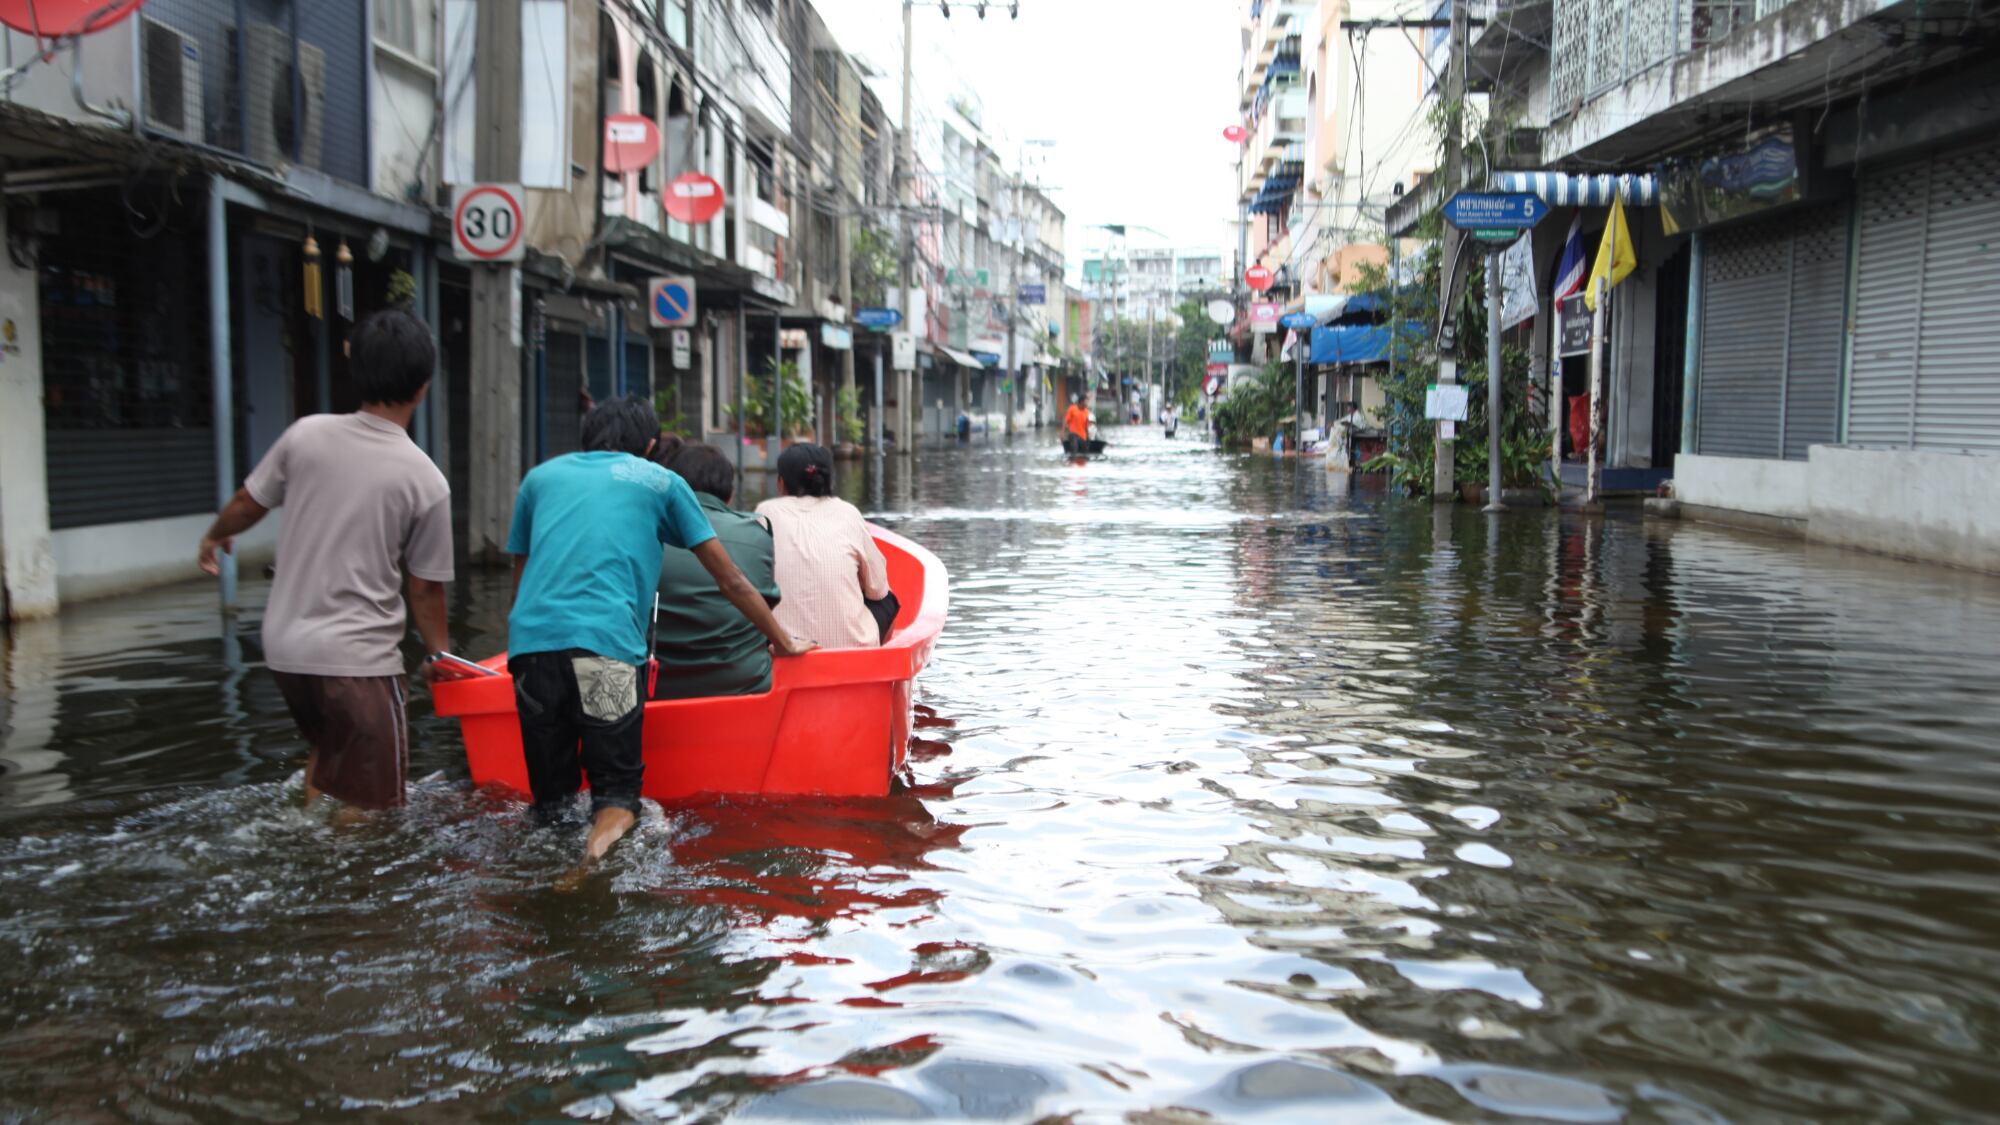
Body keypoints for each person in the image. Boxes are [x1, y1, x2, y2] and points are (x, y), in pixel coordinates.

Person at [506, 396, 812, 861]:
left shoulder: (539, 479)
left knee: (553, 804)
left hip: (531, 653)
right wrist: (784, 640)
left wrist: (525, 644)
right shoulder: (660, 481)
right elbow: (730, 579)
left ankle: (549, 875)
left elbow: (521, 577)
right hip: (606, 654)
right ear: (650, 445)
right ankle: (591, 862)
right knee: (617, 798)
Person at [196, 309, 452, 814]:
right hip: (357, 663)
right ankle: (333, 878)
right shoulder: (426, 480)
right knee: (374, 806)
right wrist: (440, 657)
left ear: (355, 371)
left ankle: (307, 838)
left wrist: (213, 536)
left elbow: (249, 502)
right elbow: (424, 588)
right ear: (423, 387)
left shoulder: (305, 435)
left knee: (331, 753)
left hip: (286, 651)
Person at [651, 441, 783, 700]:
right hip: (745, 684)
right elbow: (765, 607)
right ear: (730, 494)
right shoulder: (757, 533)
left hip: (658, 686)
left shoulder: (646, 531)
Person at [756, 443, 891, 650]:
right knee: (889, 600)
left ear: (780, 483)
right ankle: (878, 656)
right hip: (852, 650)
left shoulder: (765, 512)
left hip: (782, 648)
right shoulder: (848, 512)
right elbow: (878, 589)